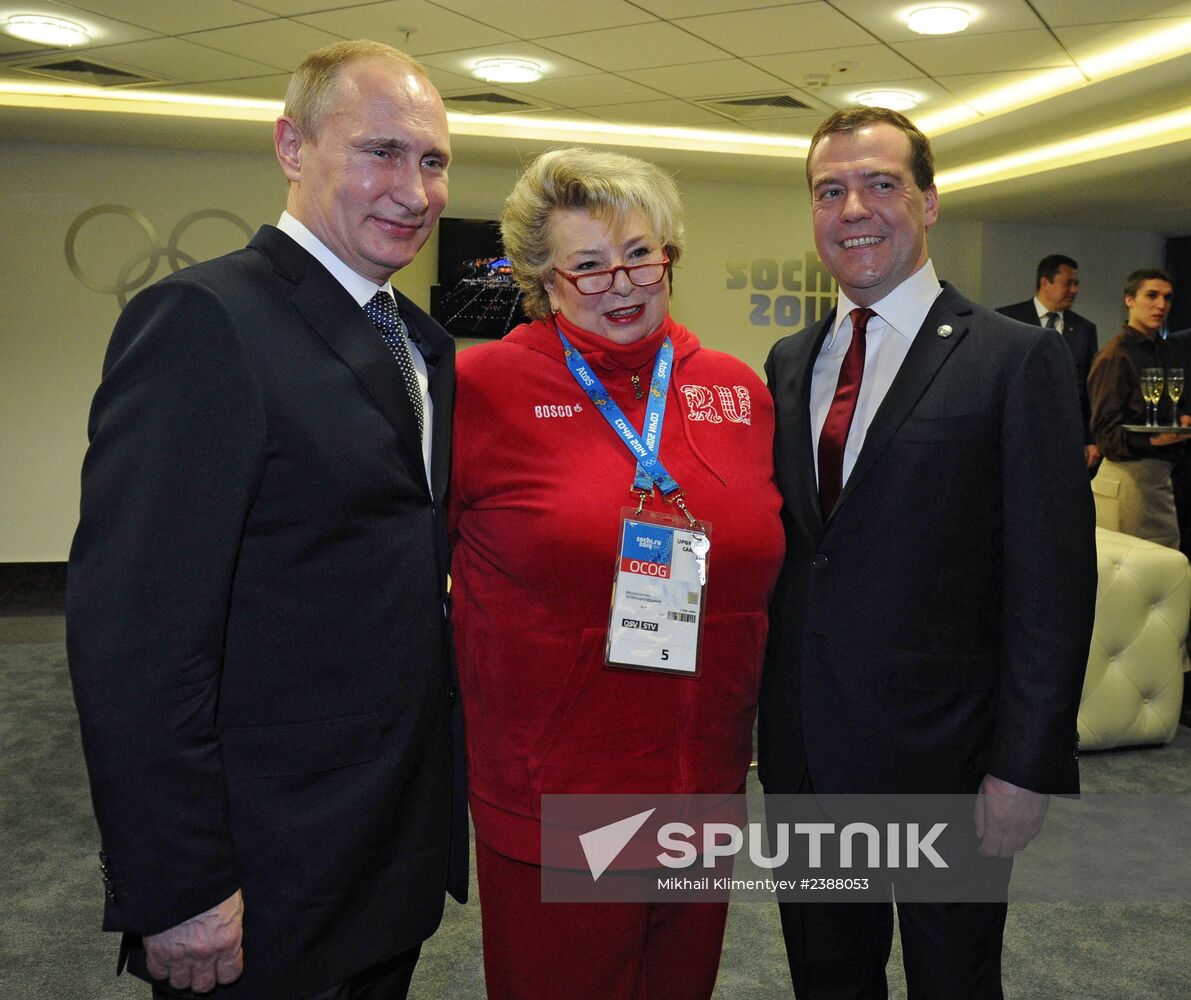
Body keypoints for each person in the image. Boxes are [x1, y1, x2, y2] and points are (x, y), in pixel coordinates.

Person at [67, 40, 466, 999]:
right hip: (260, 874)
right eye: (380, 150)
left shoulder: (422, 341)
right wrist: (179, 884)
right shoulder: (204, 321)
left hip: (385, 859)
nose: (412, 189)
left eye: (433, 160)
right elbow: (135, 640)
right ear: (292, 146)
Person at [761, 105, 1097, 999]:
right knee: (827, 978)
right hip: (806, 754)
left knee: (952, 978)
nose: (853, 208)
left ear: (929, 203)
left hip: (947, 761)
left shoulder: (1014, 359)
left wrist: (1025, 763)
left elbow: (1051, 583)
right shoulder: (788, 361)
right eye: (829, 190)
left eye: (880, 184)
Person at [448, 146, 785, 999]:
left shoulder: (737, 391)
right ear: (544, 279)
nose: (622, 283)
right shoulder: (479, 389)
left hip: (701, 784)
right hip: (557, 794)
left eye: (638, 253)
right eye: (587, 266)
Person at [1088, 268, 1188, 548]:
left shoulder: (1167, 351)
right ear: (1129, 300)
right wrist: (1156, 438)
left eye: (1167, 298)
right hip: (1126, 480)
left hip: (1159, 479)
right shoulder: (1115, 355)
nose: (1161, 305)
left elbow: (1170, 411)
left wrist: (1181, 421)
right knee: (1128, 583)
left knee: (1164, 575)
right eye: (1152, 296)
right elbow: (1105, 434)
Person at [996, 254, 1101, 470]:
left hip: (1066, 433)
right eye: (1068, 283)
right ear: (1045, 282)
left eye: (1076, 283)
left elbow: (1089, 388)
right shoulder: (1007, 319)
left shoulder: (1084, 329)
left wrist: (1090, 438)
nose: (1074, 290)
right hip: (1016, 429)